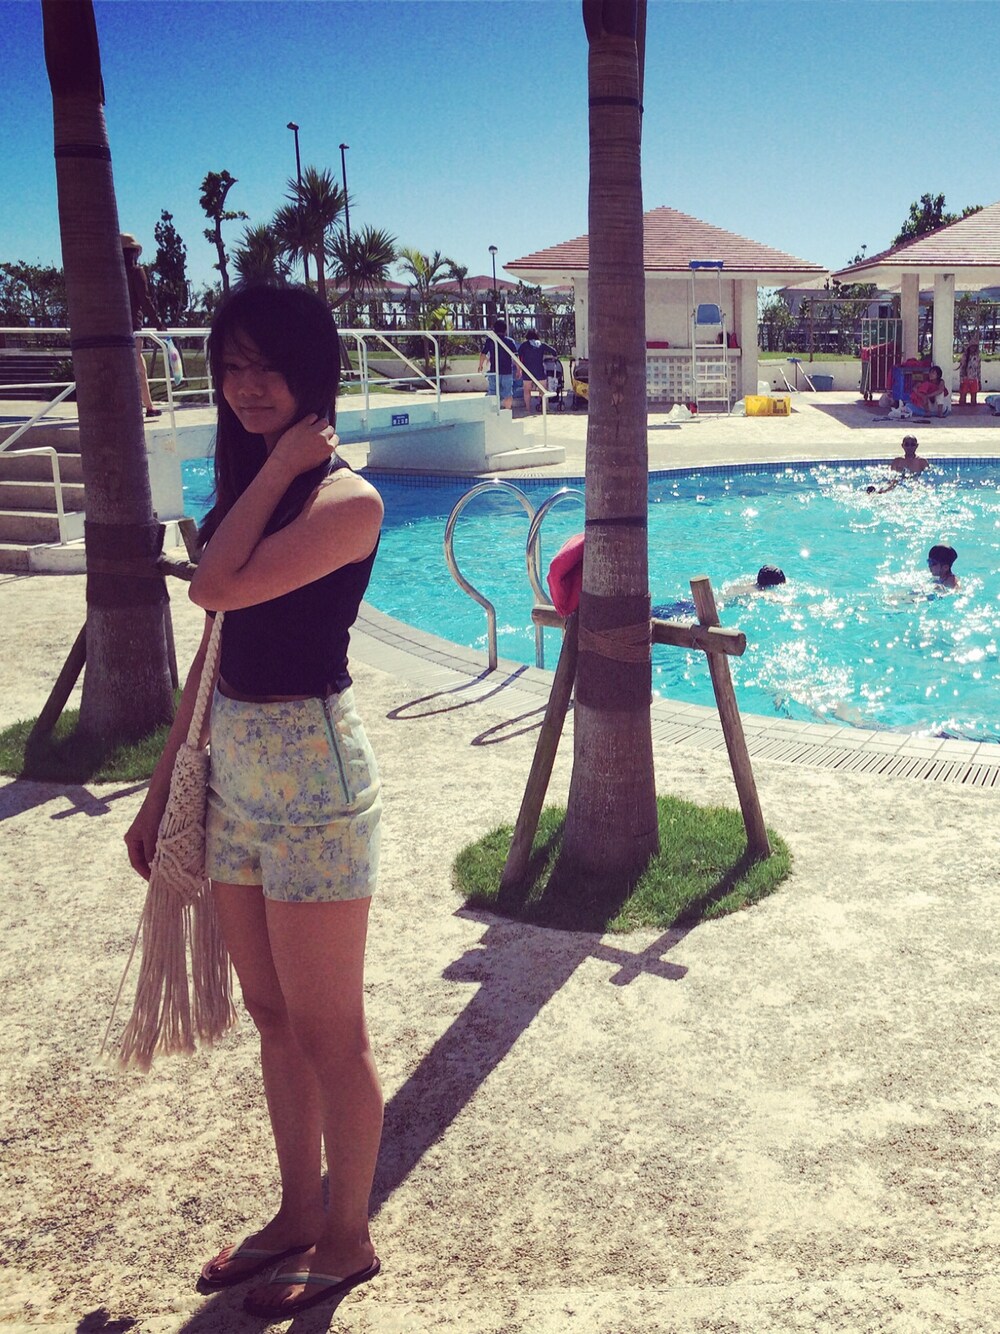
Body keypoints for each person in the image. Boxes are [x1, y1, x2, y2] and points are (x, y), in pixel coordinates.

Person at [124, 284, 385, 1320]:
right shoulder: (253, 490)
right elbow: (215, 645)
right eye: (231, 366)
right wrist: (161, 792)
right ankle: (295, 1211)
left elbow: (212, 587)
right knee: (273, 1014)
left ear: (312, 371)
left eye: (267, 364)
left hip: (315, 781)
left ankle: (349, 1238)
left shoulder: (346, 499)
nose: (246, 385)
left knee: (330, 1029)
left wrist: (278, 466)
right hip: (233, 772)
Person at [120, 232, 165, 419]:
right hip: (133, 326)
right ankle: (148, 406)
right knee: (139, 366)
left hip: (116, 326)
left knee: (129, 366)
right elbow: (145, 300)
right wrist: (158, 323)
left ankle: (141, 404)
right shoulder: (136, 272)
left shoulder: (113, 274)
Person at [477, 316, 517, 409]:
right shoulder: (510, 341)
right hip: (507, 372)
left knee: (493, 393)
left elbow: (483, 354)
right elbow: (516, 357)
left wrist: (480, 365)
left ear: (494, 329)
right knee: (508, 394)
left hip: (494, 371)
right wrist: (519, 369)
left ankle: (494, 411)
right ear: (505, 330)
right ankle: (507, 410)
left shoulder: (490, 341)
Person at [516, 328, 558, 413]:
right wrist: (554, 358)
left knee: (527, 391)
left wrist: (519, 369)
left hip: (527, 370)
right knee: (543, 391)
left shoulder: (524, 345)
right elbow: (554, 351)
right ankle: (545, 408)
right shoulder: (541, 344)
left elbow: (517, 357)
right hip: (540, 370)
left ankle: (528, 409)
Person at [958, 337, 981, 406]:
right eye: (972, 346)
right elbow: (962, 369)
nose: (973, 348)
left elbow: (978, 369)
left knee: (974, 398)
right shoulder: (965, 356)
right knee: (962, 397)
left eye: (975, 347)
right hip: (965, 378)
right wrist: (961, 380)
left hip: (974, 379)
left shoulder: (977, 357)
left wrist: (979, 381)